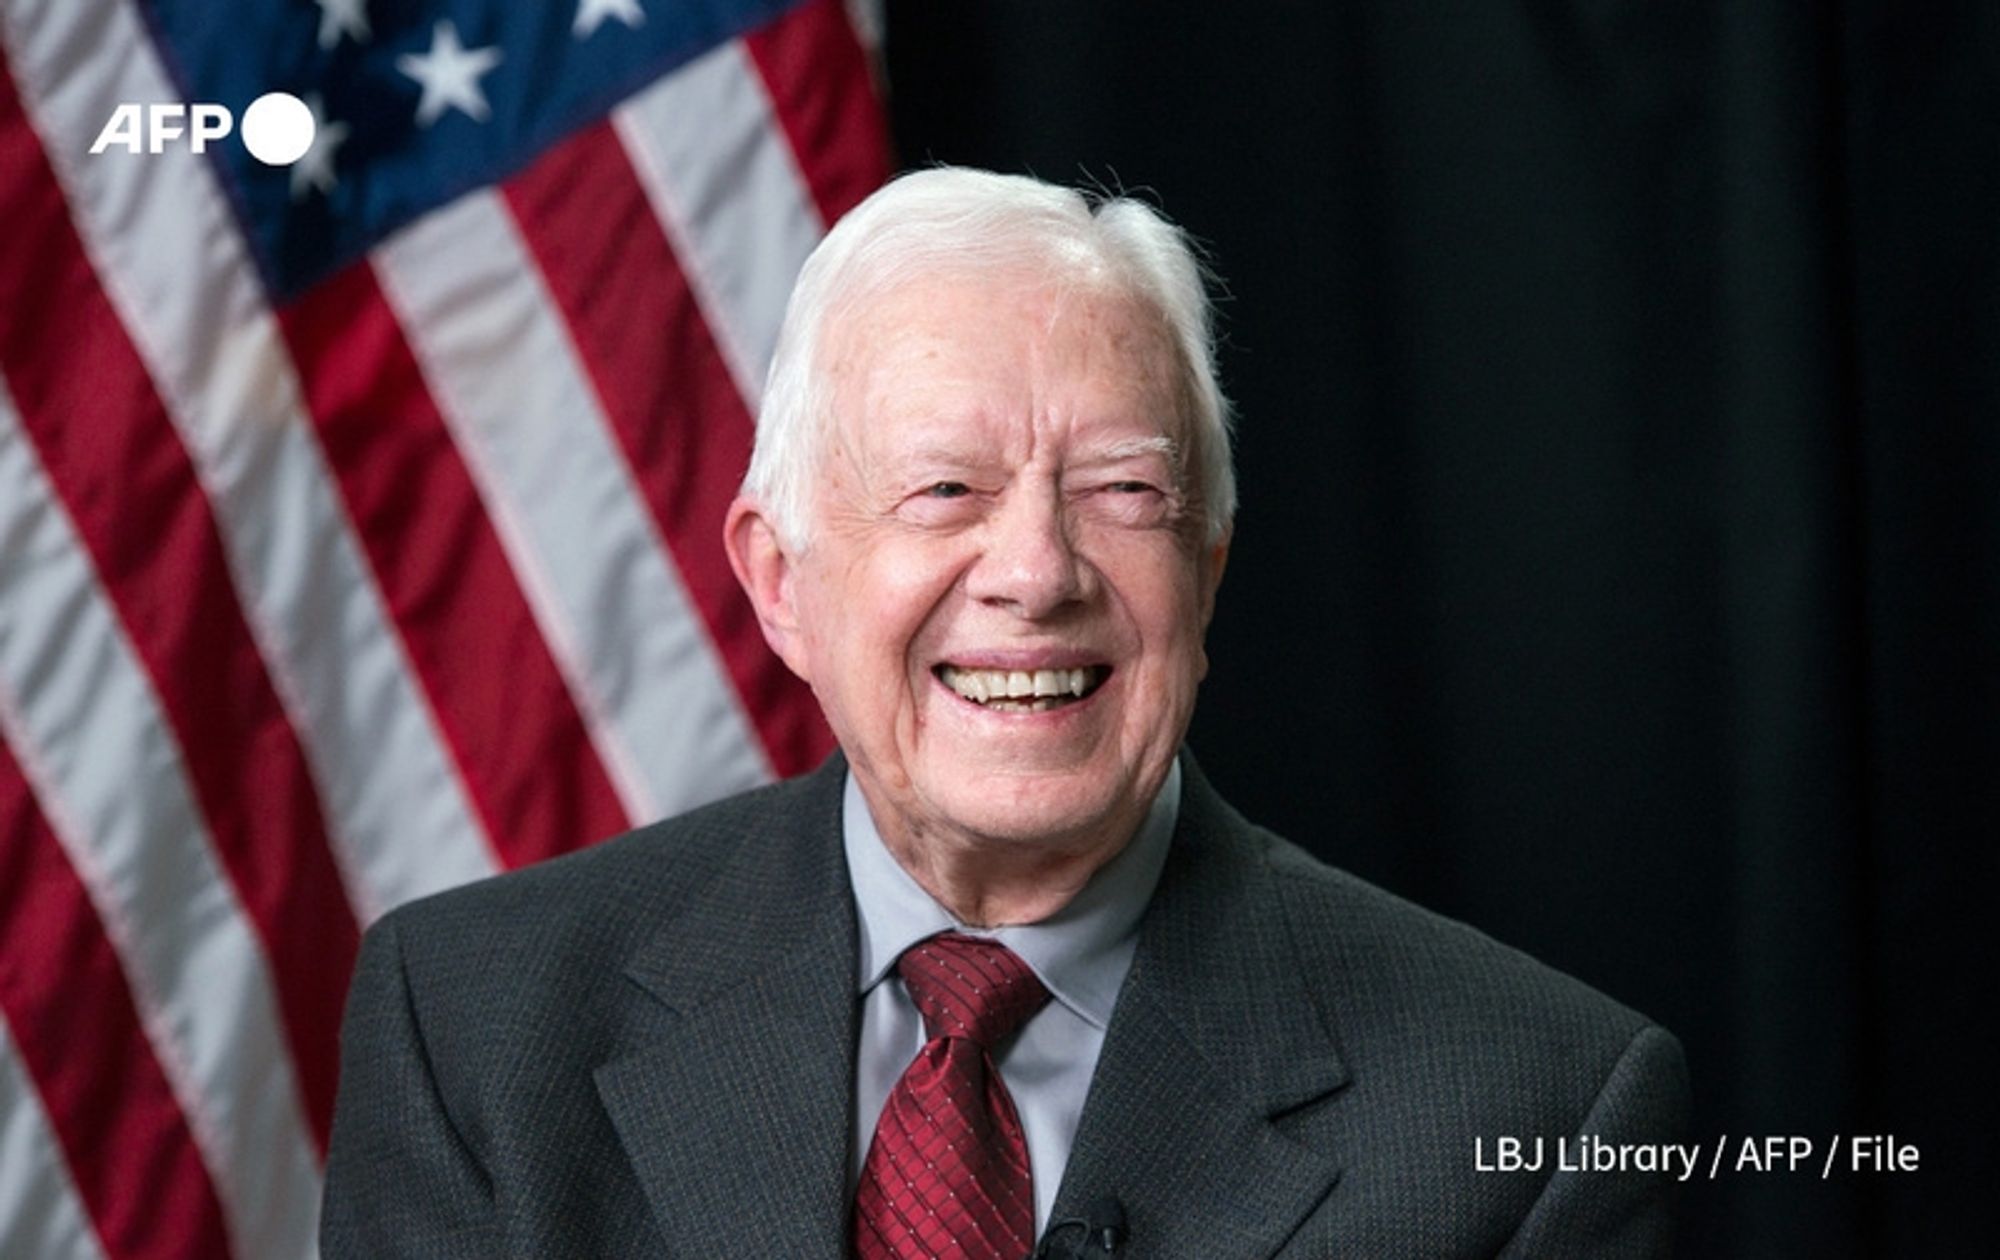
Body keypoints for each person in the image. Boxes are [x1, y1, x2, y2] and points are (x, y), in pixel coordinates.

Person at [322, 167, 1688, 1258]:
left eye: (1123, 492)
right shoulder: (475, 1031)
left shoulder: (1542, 1109)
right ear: (781, 580)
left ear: (1204, 574)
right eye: (945, 490)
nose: (1036, 572)